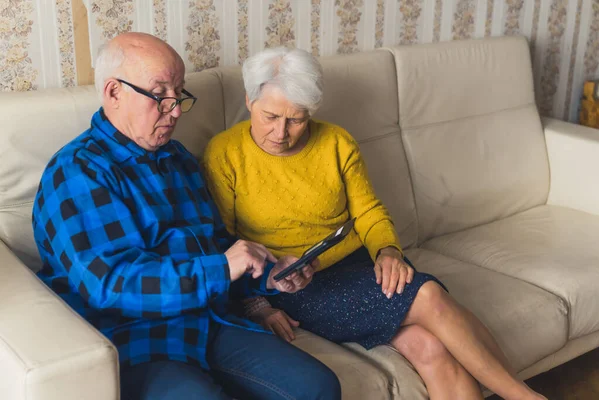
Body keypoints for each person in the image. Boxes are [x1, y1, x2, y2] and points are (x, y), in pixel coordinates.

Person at [203, 47, 547, 400]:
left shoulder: (336, 142)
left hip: (358, 261)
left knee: (430, 347)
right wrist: (256, 306)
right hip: (295, 285)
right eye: (270, 116)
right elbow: (223, 243)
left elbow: (368, 211)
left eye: (296, 119)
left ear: (312, 112)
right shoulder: (225, 153)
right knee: (428, 294)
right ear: (249, 100)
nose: (281, 132)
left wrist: (388, 250)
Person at [32, 33, 341, 400]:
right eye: (160, 94)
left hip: (208, 322)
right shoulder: (77, 172)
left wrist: (269, 275)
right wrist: (223, 268)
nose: (175, 109)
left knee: (319, 387)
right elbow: (110, 285)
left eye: (179, 93)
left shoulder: (177, 158)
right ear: (114, 92)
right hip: (135, 339)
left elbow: (216, 248)